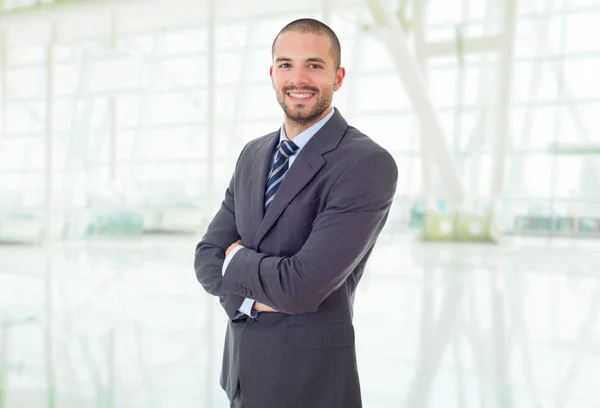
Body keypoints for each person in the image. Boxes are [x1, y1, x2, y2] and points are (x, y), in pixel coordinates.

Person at [194, 18, 398, 408]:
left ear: (338, 78)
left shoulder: (366, 163)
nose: (298, 78)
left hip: (312, 386)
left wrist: (234, 261)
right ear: (272, 76)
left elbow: (301, 288)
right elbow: (206, 258)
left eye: (314, 65)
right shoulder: (253, 155)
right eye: (286, 65)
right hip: (241, 378)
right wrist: (259, 286)